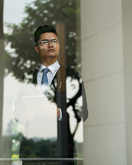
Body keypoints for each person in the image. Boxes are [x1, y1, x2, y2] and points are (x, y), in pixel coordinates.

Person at [14, 25, 88, 159]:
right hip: (32, 150)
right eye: (45, 42)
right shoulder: (27, 78)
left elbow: (84, 114)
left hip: (60, 150)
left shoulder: (73, 77)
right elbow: (17, 112)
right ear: (37, 48)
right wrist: (23, 116)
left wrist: (58, 112)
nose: (50, 45)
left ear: (59, 46)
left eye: (54, 41)